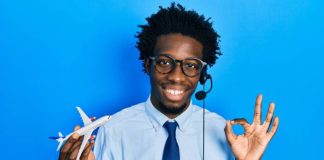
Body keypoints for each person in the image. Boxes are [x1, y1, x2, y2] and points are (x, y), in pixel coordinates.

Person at [58, 3, 279, 160]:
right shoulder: (114, 130)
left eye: (190, 65)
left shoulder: (224, 133)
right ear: (147, 65)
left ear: (202, 75)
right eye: (165, 62)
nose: (176, 76)